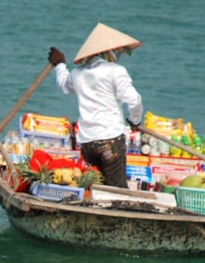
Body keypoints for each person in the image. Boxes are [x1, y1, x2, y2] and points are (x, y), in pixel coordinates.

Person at [48, 23, 145, 188]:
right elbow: (134, 100)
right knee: (116, 190)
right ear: (107, 53)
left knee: (93, 188)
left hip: (87, 144)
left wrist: (60, 65)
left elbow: (64, 85)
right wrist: (134, 120)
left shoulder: (77, 73)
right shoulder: (115, 70)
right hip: (110, 141)